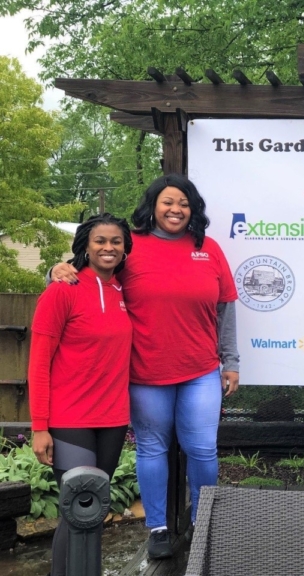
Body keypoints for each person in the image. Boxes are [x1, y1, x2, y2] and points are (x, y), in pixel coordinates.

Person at [51, 174, 239, 560]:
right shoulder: (131, 247)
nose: (176, 209)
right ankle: (158, 528)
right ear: (153, 205)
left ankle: (204, 522)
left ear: (193, 209)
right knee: (152, 448)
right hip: (146, 372)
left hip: (201, 369)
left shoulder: (209, 249)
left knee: (202, 448)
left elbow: (226, 307)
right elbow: (88, 274)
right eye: (168, 202)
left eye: (184, 203)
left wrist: (231, 360)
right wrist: (55, 271)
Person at [30, 213, 133, 576]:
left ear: (125, 248)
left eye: (116, 241)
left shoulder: (125, 291)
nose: (108, 247)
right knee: (78, 506)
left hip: (113, 418)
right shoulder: (62, 291)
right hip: (70, 418)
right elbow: (38, 363)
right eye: (100, 241)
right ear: (85, 247)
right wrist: (39, 427)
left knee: (96, 508)